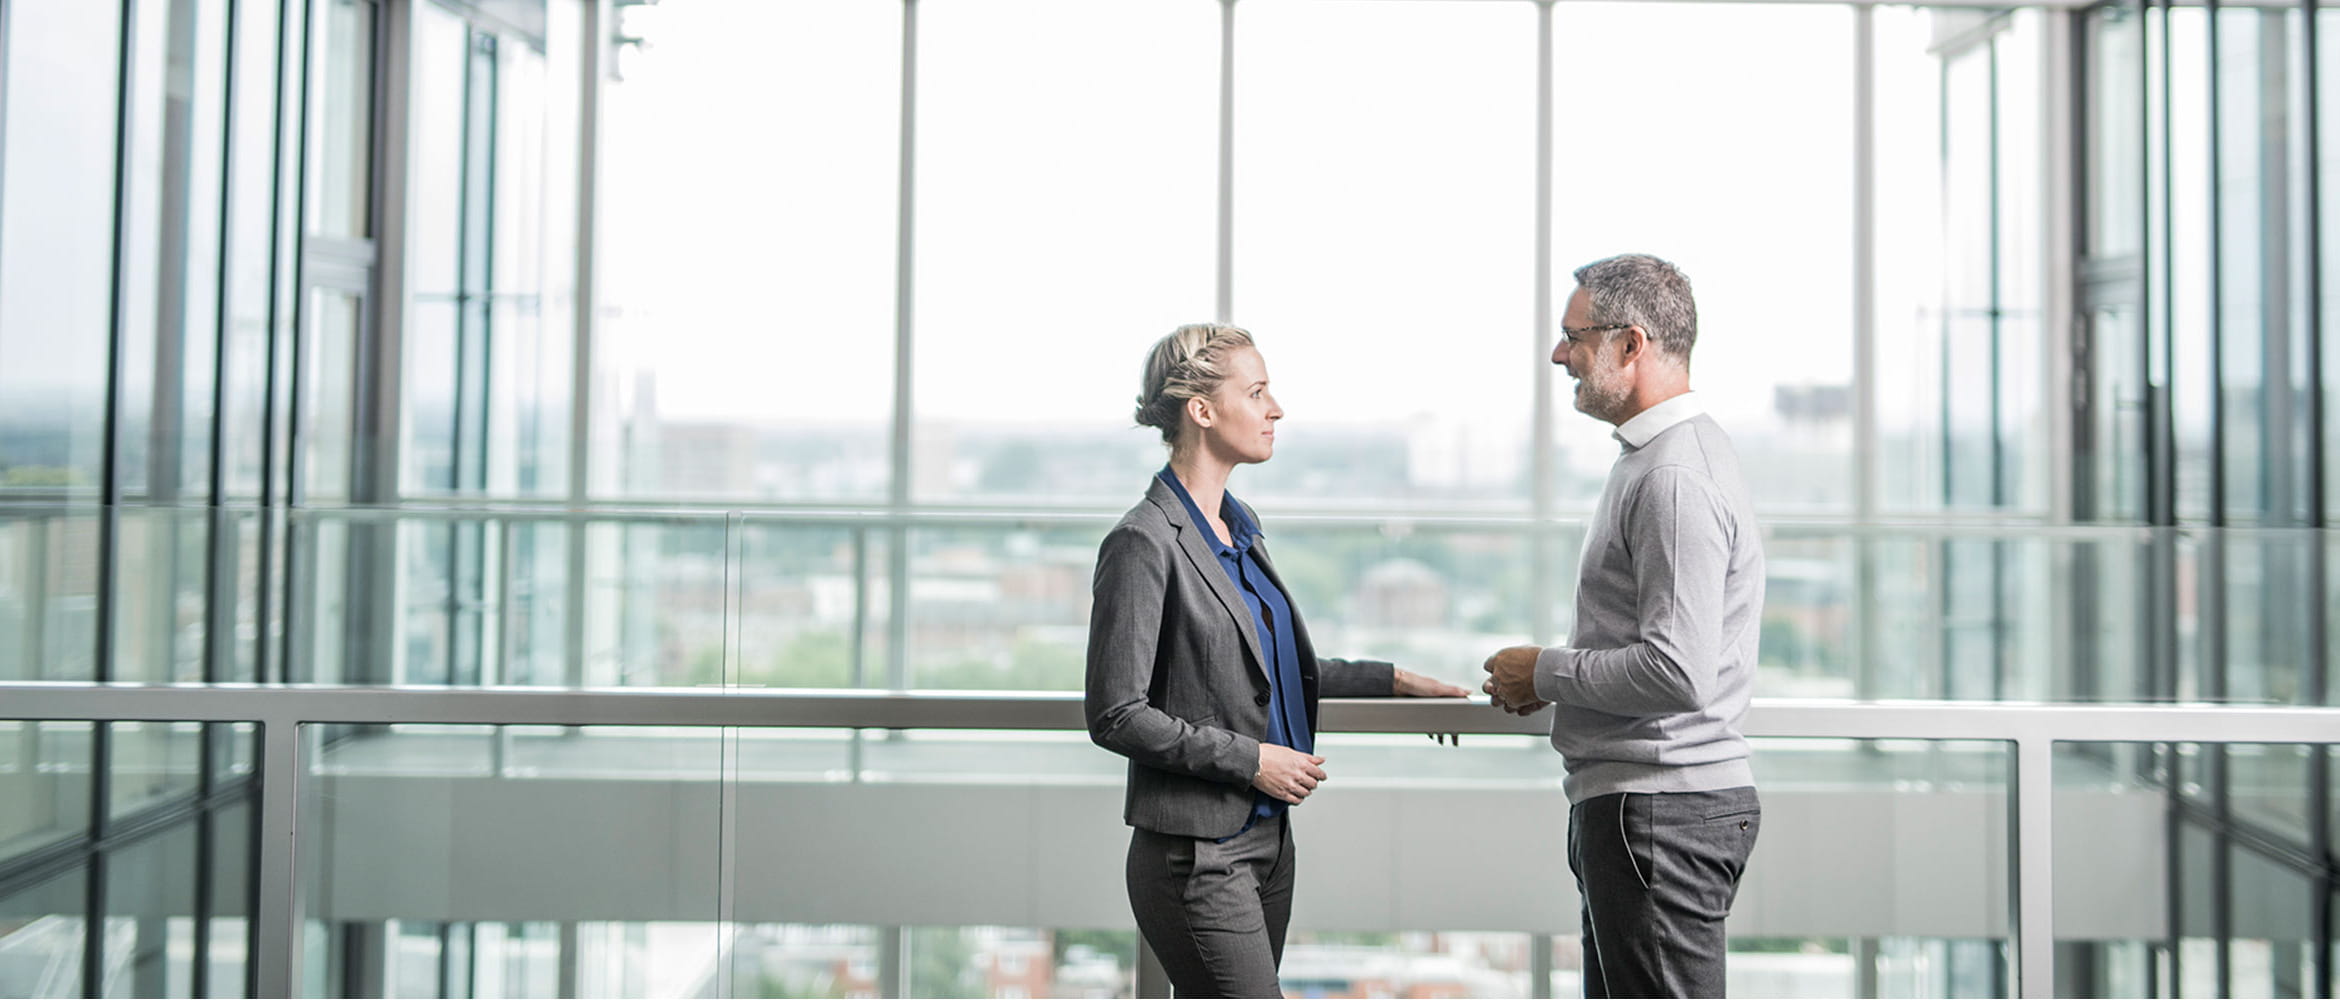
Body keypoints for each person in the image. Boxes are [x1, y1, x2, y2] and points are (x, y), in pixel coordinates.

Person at [1086, 323, 1469, 999]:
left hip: (1268, 844)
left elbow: (1270, 667)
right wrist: (1253, 759)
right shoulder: (1143, 542)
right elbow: (1117, 714)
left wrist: (1395, 681)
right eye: (1257, 392)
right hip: (1195, 855)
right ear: (1202, 411)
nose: (1276, 409)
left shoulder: (1240, 527)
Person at [1481, 255, 1765, 998]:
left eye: (1574, 336)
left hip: (1661, 814)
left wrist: (1542, 671)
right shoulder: (1657, 462)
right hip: (1645, 810)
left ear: (1630, 345)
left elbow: (1676, 670)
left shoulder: (1673, 477)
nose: (1558, 354)